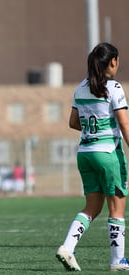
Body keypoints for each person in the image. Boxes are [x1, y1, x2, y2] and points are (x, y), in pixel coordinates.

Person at [56, 43, 129, 271]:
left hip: (85, 154)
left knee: (92, 208)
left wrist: (92, 132)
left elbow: (72, 122)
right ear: (113, 62)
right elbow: (125, 126)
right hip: (108, 154)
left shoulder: (80, 88)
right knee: (116, 210)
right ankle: (117, 261)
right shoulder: (114, 88)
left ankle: (67, 248)